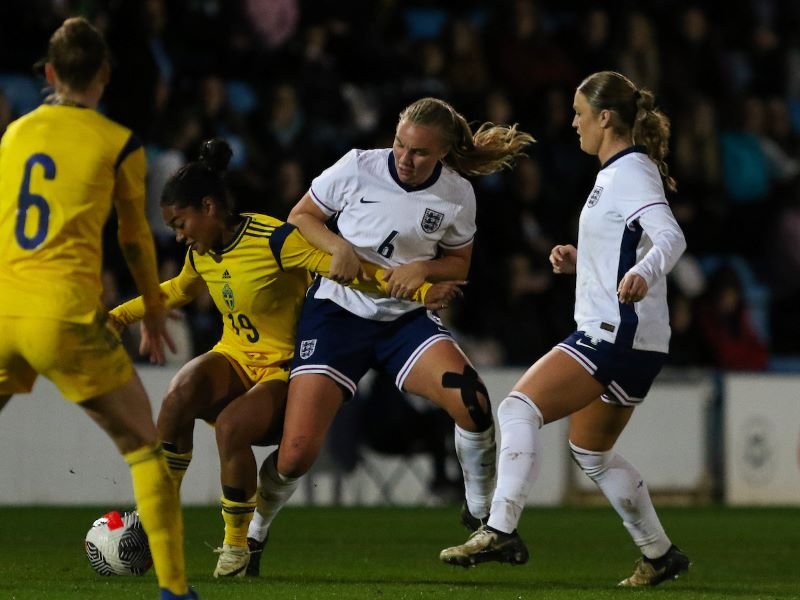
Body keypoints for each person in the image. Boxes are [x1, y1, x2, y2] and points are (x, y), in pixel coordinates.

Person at [108, 138, 448, 577]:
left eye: (181, 223)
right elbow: (177, 290)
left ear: (208, 207)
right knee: (178, 396)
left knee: (232, 428)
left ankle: (236, 546)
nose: (179, 235)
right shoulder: (201, 253)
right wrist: (118, 318)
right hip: (234, 357)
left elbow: (353, 275)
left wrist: (419, 291)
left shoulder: (273, 240)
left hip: (285, 369)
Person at [245, 96, 535, 574]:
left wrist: (422, 267)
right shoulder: (358, 166)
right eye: (400, 144)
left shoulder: (458, 194)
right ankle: (251, 538)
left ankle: (484, 520)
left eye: (419, 152)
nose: (404, 156)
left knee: (475, 403)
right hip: (337, 315)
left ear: (442, 153)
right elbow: (301, 217)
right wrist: (337, 245)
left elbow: (458, 263)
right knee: (296, 454)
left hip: (403, 320)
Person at [439, 71, 691, 587]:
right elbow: (632, 243)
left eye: (579, 112)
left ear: (605, 118)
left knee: (516, 408)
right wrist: (585, 260)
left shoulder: (629, 171)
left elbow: (670, 236)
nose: (573, 122)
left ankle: (500, 527)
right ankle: (660, 555)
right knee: (591, 453)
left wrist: (643, 272)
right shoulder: (617, 172)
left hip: (613, 332)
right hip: (638, 338)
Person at [0, 17, 196, 600]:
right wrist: (155, 309)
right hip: (64, 318)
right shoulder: (118, 143)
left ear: (51, 73)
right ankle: (175, 591)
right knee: (144, 451)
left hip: (6, 310)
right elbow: (135, 239)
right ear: (104, 76)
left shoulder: (12, 136)